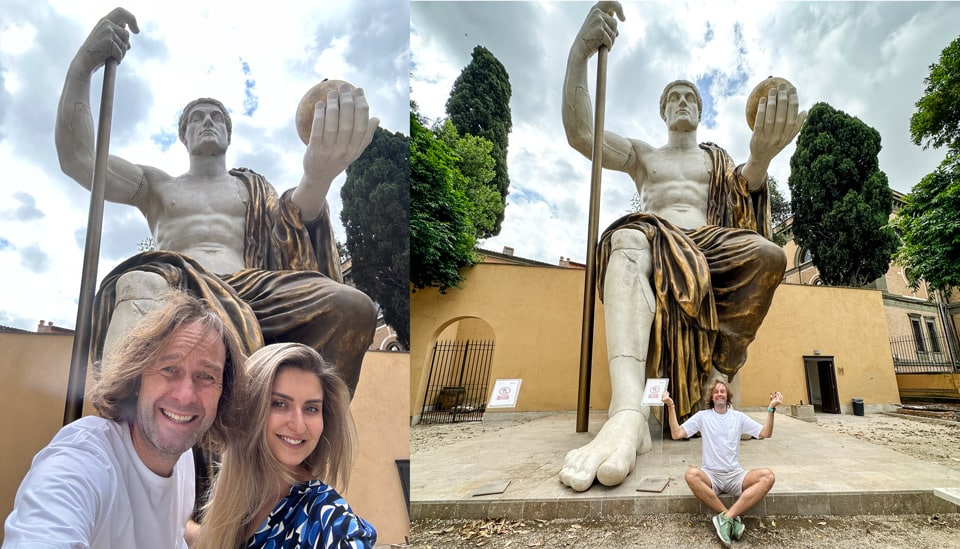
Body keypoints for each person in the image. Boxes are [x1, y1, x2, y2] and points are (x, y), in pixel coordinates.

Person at [55, 7, 378, 398]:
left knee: (353, 306)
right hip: (175, 287)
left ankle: (314, 434)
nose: (207, 121)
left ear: (227, 132)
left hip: (251, 289)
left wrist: (318, 176)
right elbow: (80, 159)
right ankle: (123, 422)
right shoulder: (155, 184)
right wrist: (82, 65)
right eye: (196, 117)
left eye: (217, 117)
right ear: (183, 135)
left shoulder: (252, 188)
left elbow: (294, 222)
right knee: (136, 282)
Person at [558, 1, 802, 492]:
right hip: (655, 237)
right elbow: (582, 134)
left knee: (768, 256)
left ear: (701, 108)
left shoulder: (718, 160)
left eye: (691, 95)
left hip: (710, 243)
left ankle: (718, 374)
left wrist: (759, 159)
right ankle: (627, 412)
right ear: (663, 110)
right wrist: (580, 52)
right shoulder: (645, 155)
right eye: (674, 96)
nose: (683, 100)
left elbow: (745, 191)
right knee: (626, 235)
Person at [3, 291, 246, 548]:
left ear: (223, 392)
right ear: (138, 377)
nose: (186, 396)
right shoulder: (83, 459)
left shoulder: (182, 457)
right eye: (170, 369)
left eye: (206, 376)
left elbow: (171, 530)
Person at [191, 343, 376, 548]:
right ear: (250, 409)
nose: (298, 425)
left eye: (311, 408)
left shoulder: (332, 525)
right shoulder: (239, 498)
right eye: (280, 404)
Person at [663, 382, 783, 547]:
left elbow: (765, 433)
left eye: (723, 391)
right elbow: (676, 433)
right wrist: (670, 405)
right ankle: (730, 517)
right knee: (691, 474)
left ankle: (726, 518)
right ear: (712, 397)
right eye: (716, 392)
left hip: (735, 475)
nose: (720, 394)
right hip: (711, 476)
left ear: (727, 397)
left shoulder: (738, 417)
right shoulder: (703, 416)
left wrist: (771, 409)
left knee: (768, 476)